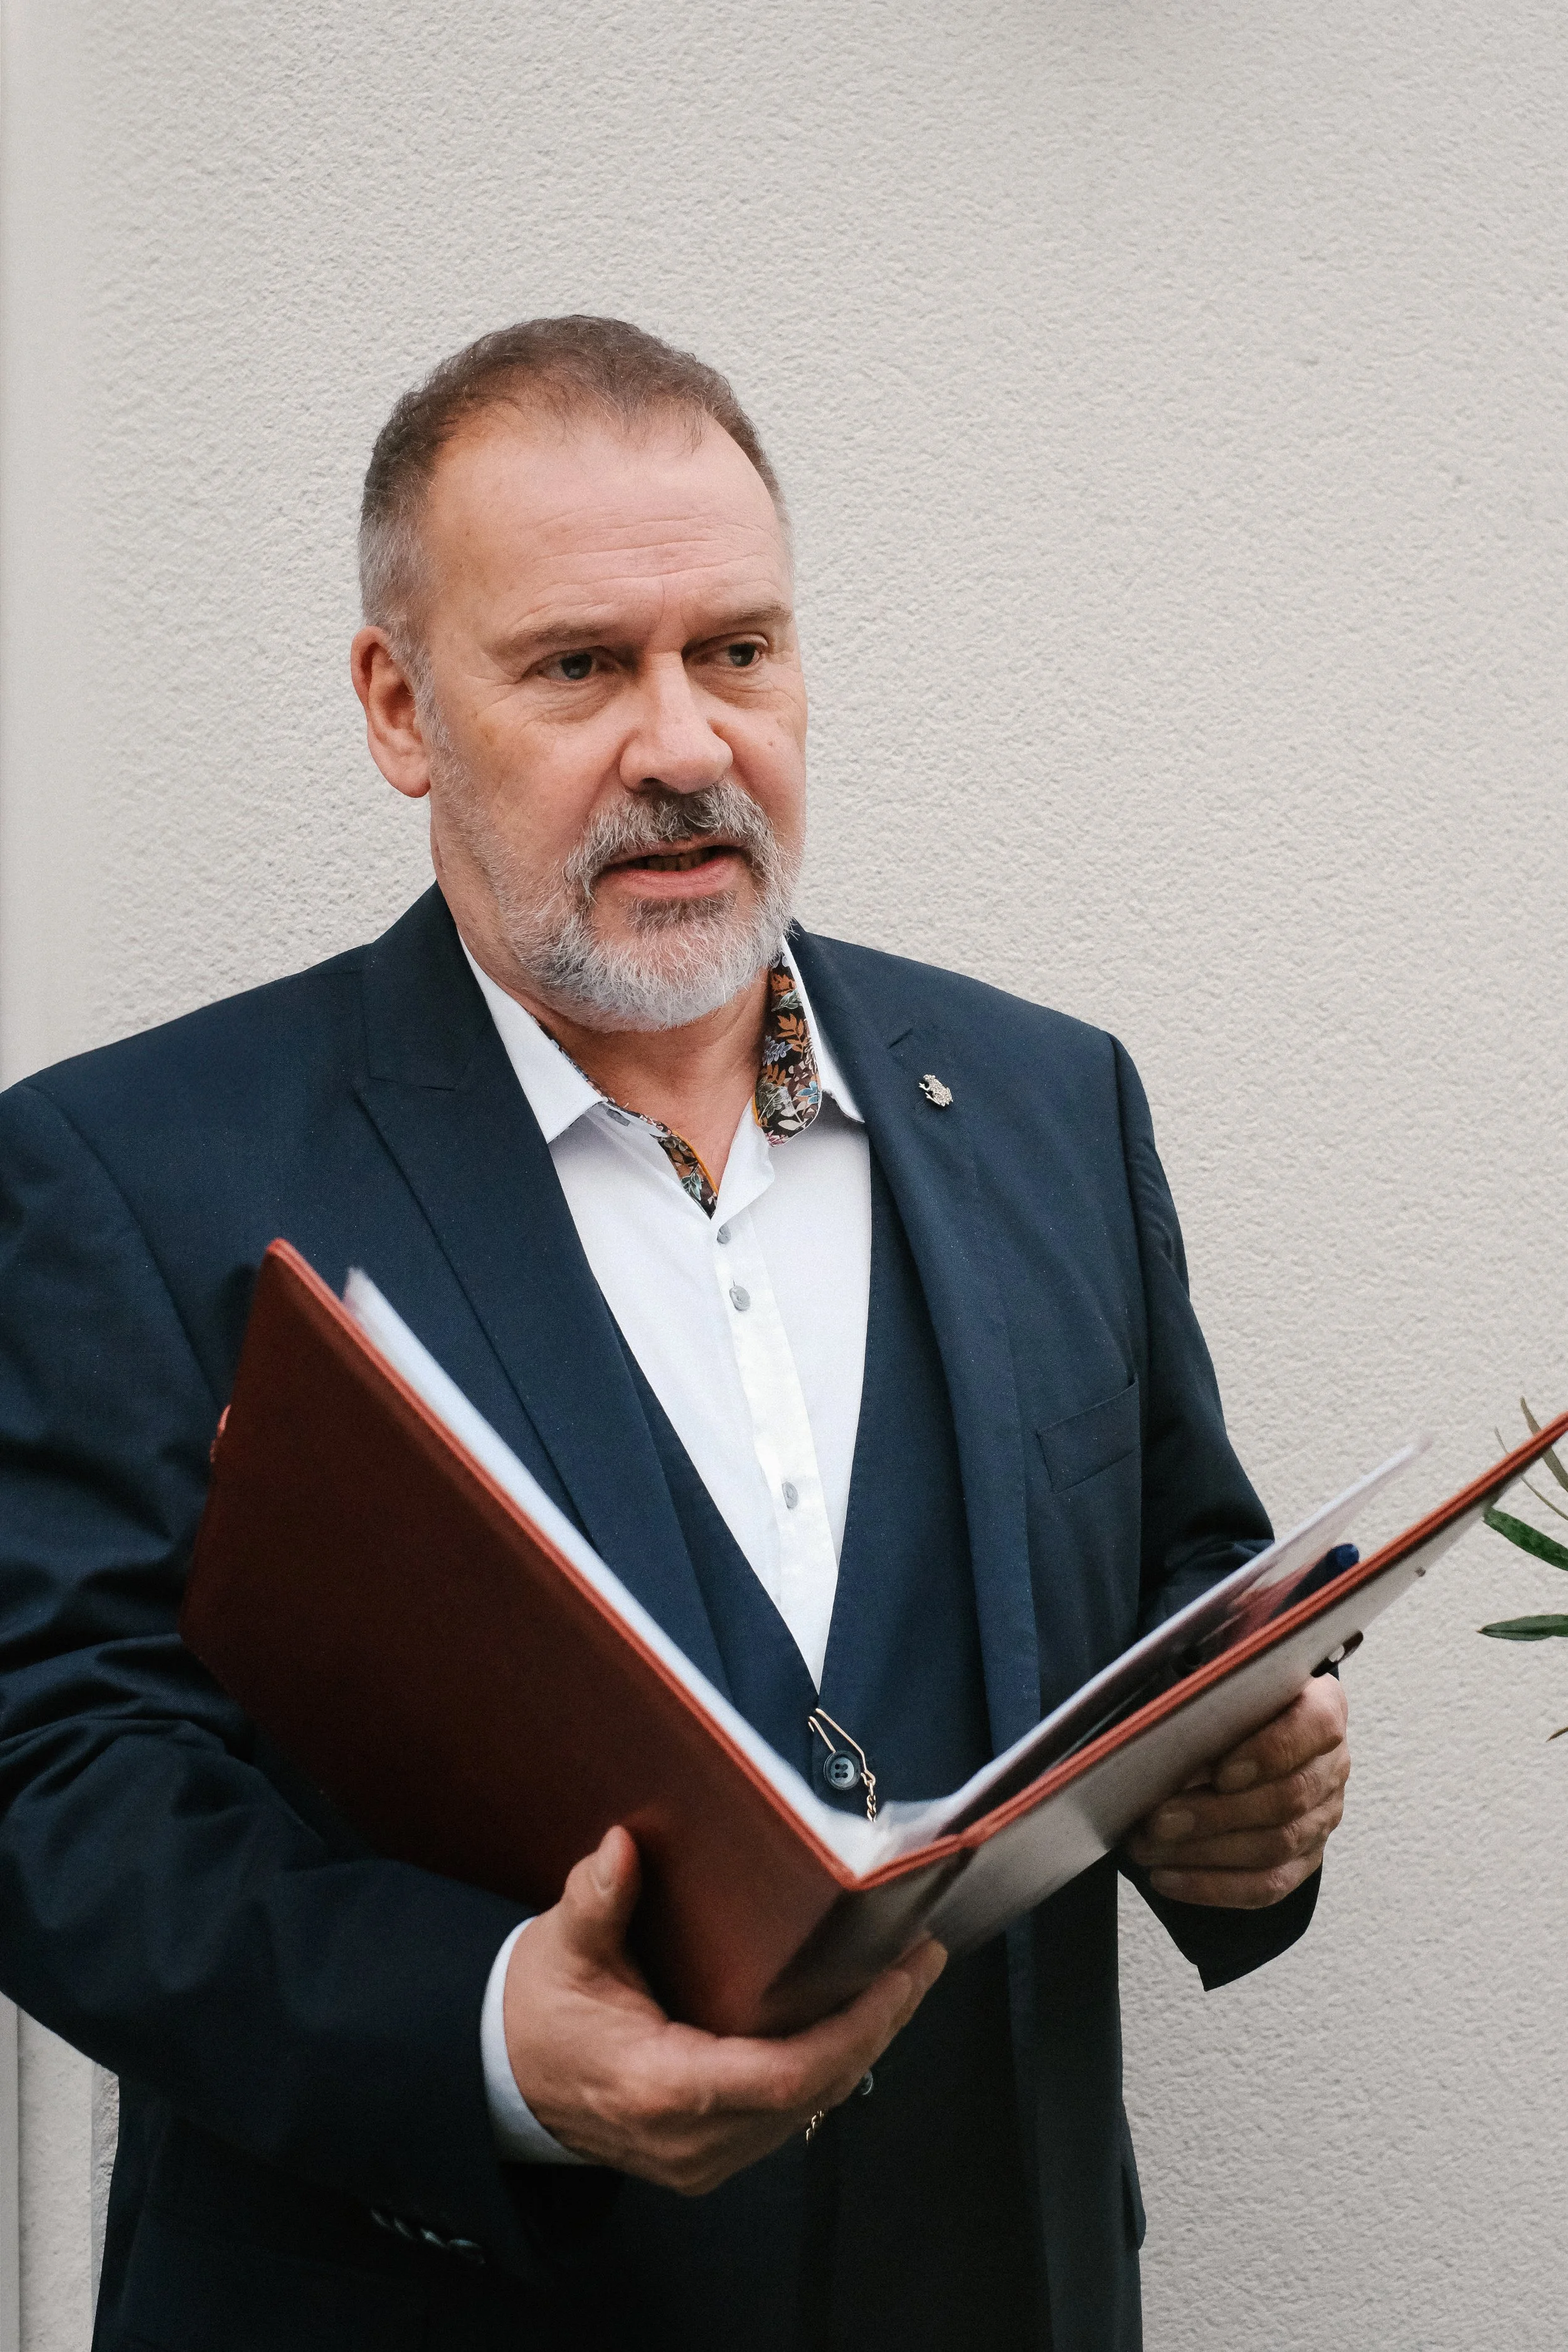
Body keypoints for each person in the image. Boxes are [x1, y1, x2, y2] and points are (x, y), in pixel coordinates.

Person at [0, 317, 1350, 2352]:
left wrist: (1236, 1811)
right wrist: (477, 2037)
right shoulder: (123, 1165)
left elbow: (1177, 1585)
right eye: (577, 666)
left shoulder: (1056, 1101)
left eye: (735, 649)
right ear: (398, 703)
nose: (686, 743)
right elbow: (55, 1774)